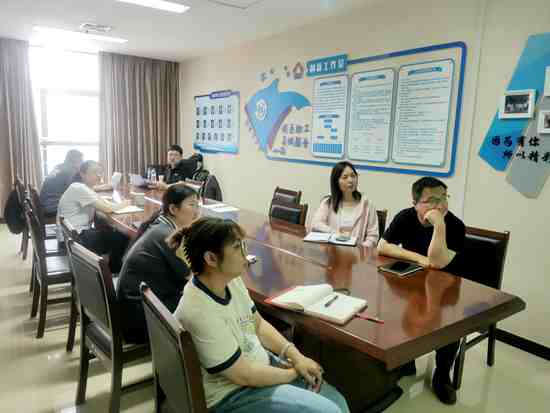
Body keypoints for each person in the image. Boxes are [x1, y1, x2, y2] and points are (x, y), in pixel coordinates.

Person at [169, 217, 350, 413]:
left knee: (337, 401)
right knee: (330, 410)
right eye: (237, 247)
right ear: (211, 259)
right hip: (232, 395)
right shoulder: (198, 310)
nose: (245, 254)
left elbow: (258, 325)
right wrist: (293, 372)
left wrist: (296, 356)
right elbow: (244, 375)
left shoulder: (230, 280)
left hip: (258, 367)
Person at [377, 176, 465, 405]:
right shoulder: (405, 217)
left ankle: (441, 375)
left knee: (448, 325)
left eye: (443, 197)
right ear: (415, 203)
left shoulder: (455, 225)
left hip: (447, 291)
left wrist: (439, 225)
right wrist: (417, 258)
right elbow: (382, 246)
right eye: (432, 200)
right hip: (415, 284)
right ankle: (407, 360)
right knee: (397, 310)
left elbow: (437, 262)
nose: (440, 205)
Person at [116, 185, 200, 344]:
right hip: (141, 321)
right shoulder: (168, 236)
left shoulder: (160, 226)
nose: (197, 211)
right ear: (173, 209)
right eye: (192, 205)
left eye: (198, 205)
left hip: (133, 310)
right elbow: (193, 277)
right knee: (204, 303)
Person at [57, 160, 130, 274]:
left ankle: (111, 266)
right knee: (121, 236)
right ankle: (114, 272)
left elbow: (102, 203)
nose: (99, 175)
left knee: (109, 229)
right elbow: (108, 208)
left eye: (100, 172)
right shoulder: (80, 189)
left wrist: (111, 204)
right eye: (95, 172)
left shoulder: (80, 187)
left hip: (69, 236)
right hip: (75, 239)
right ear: (82, 174)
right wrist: (126, 203)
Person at [310, 161, 379, 248]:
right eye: (345, 177)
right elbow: (315, 224)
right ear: (336, 181)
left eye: (353, 176)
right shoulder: (328, 202)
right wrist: (335, 233)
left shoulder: (367, 205)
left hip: (357, 253)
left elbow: (373, 237)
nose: (350, 180)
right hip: (332, 252)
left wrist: (360, 250)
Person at [40, 150, 83, 217]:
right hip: (53, 208)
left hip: (46, 205)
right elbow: (77, 190)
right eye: (81, 161)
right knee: (87, 206)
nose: (82, 164)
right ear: (76, 160)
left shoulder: (60, 167)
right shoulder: (69, 171)